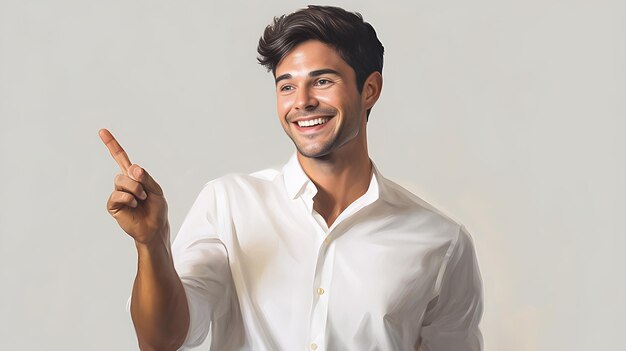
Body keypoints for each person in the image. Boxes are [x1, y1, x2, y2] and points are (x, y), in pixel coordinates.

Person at [100, 5, 483, 351]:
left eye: (322, 81)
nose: (301, 101)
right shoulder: (228, 204)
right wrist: (151, 244)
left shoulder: (441, 241)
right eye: (286, 86)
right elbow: (162, 340)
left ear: (369, 90)